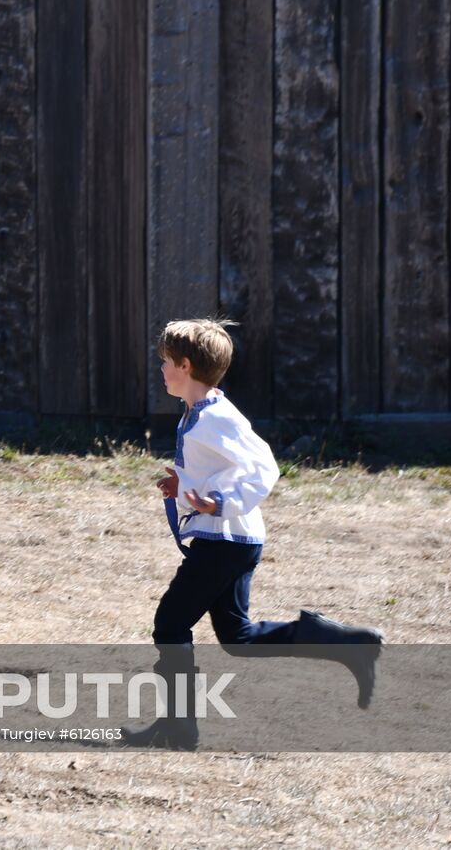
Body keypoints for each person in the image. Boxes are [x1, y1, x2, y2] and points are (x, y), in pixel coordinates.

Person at [121, 318, 384, 750]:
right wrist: (184, 489)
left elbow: (263, 467)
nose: (162, 370)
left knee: (170, 622)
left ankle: (178, 728)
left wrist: (221, 503)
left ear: (185, 365)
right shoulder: (201, 412)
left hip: (225, 540)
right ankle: (342, 641)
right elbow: (220, 472)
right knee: (238, 639)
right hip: (229, 539)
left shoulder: (216, 417)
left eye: (165, 362)